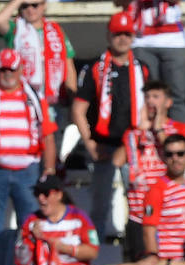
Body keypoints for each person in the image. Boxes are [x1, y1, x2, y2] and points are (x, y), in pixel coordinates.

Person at [0, 49, 58, 248]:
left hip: (28, 171)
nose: (7, 74)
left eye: (12, 70)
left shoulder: (33, 96)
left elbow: (48, 136)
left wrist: (49, 171)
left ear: (21, 70)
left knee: (32, 226)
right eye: (3, 70)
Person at [73, 11, 149, 243]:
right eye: (118, 34)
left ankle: (139, 249)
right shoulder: (95, 68)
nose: (122, 39)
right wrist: (90, 143)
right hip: (104, 146)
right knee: (100, 203)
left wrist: (142, 138)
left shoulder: (142, 68)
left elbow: (148, 107)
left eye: (127, 34)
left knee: (139, 203)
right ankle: (94, 255)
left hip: (133, 147)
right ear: (109, 35)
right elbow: (78, 109)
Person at [123, 79, 185, 261]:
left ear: (168, 102)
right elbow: (117, 161)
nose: (150, 101)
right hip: (138, 212)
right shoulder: (134, 131)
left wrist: (158, 129)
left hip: (168, 214)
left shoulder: (180, 129)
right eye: (147, 97)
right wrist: (137, 131)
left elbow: (180, 155)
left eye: (156, 96)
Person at [15, 175, 99, 265]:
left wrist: (64, 248)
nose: (41, 199)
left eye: (46, 193)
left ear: (59, 195)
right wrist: (30, 239)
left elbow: (93, 251)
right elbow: (22, 259)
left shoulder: (79, 217)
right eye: (37, 194)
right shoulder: (31, 221)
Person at [0, 0, 77, 119]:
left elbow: (69, 66)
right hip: (23, 99)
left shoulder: (56, 30)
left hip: (52, 102)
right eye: (25, 6)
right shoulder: (15, 29)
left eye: (35, 5)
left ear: (44, 5)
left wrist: (73, 100)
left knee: (51, 136)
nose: (30, 9)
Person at [113, 0, 185, 124]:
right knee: (145, 94)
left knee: (176, 96)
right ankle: (147, 137)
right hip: (141, 39)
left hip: (173, 39)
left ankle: (177, 139)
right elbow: (118, 2)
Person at [142, 133, 185, 260]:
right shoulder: (156, 189)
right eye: (169, 154)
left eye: (180, 153)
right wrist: (155, 262)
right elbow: (148, 232)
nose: (175, 158)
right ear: (162, 157)